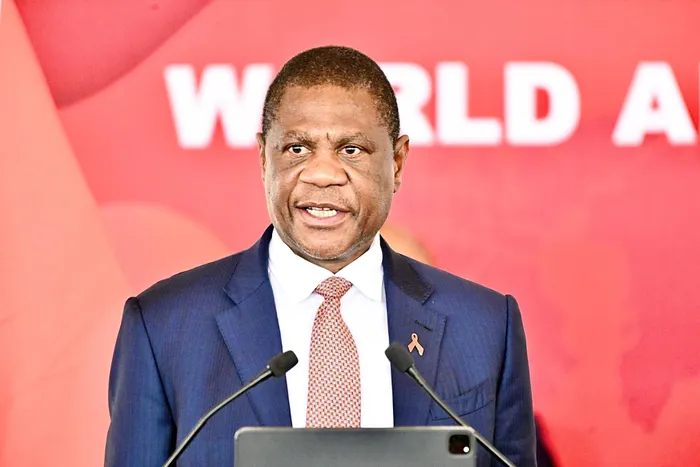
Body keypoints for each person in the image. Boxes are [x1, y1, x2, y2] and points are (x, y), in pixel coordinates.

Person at [105, 45, 537, 467]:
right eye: (297, 148)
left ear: (397, 162)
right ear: (263, 159)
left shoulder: (484, 326)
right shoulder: (165, 327)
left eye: (351, 150)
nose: (322, 174)